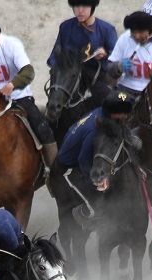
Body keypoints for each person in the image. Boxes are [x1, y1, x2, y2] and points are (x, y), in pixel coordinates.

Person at [0, 16, 58, 196]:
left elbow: (28, 71)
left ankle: (54, 177)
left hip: (18, 97)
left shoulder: (12, 45)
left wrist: (11, 85)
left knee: (42, 128)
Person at [55, 90, 136, 227]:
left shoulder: (105, 117)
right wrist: (96, 183)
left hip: (81, 157)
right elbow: (83, 159)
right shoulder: (96, 129)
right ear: (112, 113)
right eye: (122, 112)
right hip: (68, 168)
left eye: (127, 111)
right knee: (98, 204)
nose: (126, 115)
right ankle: (81, 215)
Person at [47, 1, 118, 107]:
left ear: (92, 7)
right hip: (69, 75)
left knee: (109, 99)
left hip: (95, 75)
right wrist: (60, 68)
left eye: (85, 6)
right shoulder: (66, 27)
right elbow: (53, 57)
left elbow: (116, 58)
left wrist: (106, 54)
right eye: (76, 6)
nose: (80, 10)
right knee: (54, 99)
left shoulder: (107, 29)